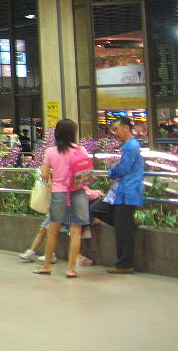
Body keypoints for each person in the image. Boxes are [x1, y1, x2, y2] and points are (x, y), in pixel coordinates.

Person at [33, 119, 91, 278]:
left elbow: (44, 175)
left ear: (57, 133)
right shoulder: (81, 150)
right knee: (76, 231)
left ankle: (46, 266)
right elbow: (86, 173)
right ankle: (71, 269)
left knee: (53, 231)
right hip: (78, 193)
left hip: (58, 193)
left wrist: (53, 174)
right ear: (73, 133)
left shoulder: (51, 151)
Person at [90, 117, 144, 274]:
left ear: (126, 128)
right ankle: (128, 224)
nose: (114, 133)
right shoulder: (128, 146)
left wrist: (111, 172)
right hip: (121, 191)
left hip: (128, 191)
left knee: (123, 231)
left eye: (116, 129)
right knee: (98, 209)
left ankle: (125, 264)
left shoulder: (132, 146)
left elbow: (124, 168)